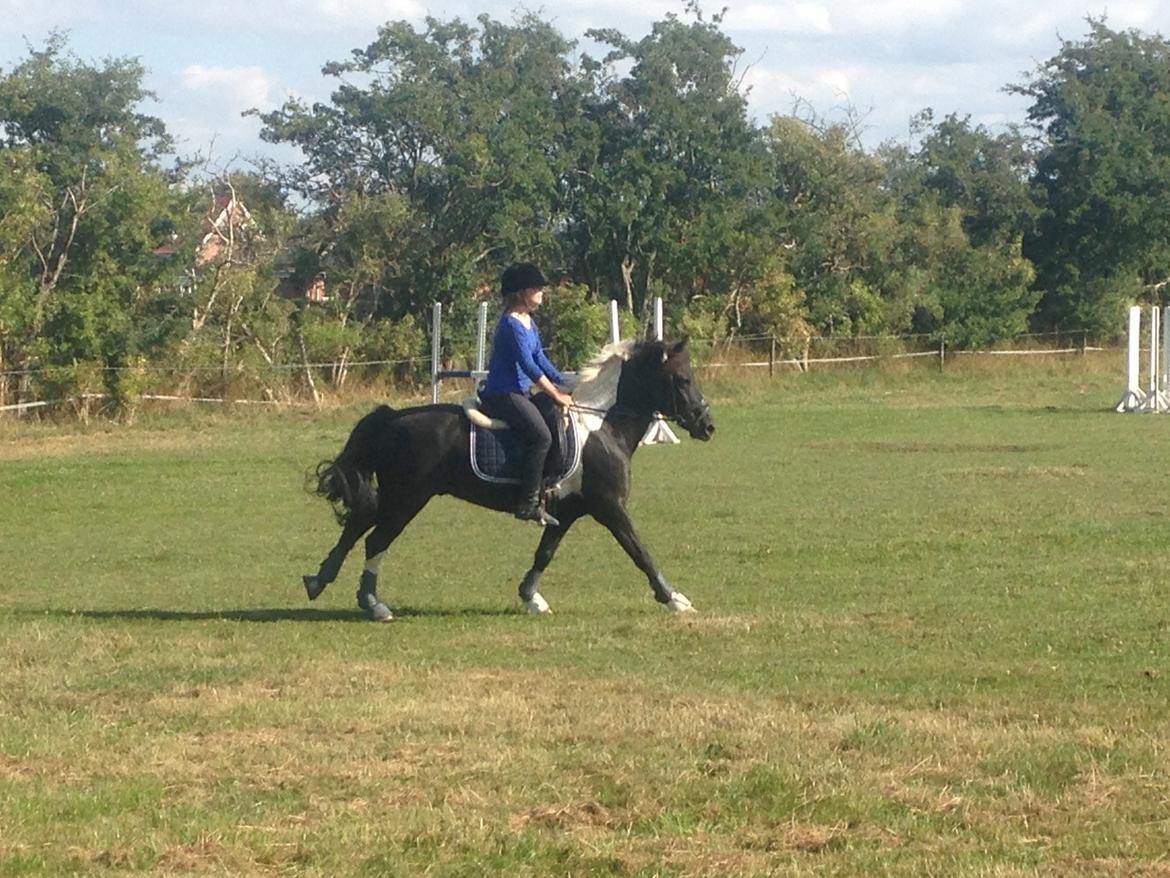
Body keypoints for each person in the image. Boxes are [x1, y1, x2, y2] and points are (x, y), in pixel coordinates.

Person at [480, 263, 574, 526]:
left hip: (521, 392)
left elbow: (540, 357)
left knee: (552, 416)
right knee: (541, 437)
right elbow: (528, 365)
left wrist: (564, 382)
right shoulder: (511, 324)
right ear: (521, 293)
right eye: (536, 288)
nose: (542, 292)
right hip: (504, 393)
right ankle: (528, 502)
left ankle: (551, 481)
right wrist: (555, 393)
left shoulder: (528, 321)